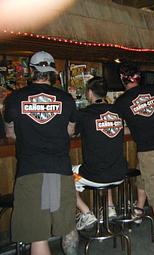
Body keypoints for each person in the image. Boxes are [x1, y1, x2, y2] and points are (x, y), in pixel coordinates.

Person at [3, 51, 77, 255]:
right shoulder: (67, 99)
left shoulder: (14, 98)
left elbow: (11, 133)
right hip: (61, 168)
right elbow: (70, 131)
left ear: (31, 70)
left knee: (38, 235)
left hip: (30, 169)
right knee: (68, 226)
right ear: (53, 72)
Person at [115, 63, 154, 250]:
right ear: (139, 78)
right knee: (143, 174)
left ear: (123, 80)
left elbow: (115, 127)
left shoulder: (122, 102)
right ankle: (139, 211)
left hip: (150, 151)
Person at [73, 77, 127, 230]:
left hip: (95, 176)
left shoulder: (84, 114)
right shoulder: (117, 111)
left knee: (65, 176)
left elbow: (71, 132)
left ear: (90, 93)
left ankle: (86, 213)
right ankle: (109, 208)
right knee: (106, 159)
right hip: (119, 173)